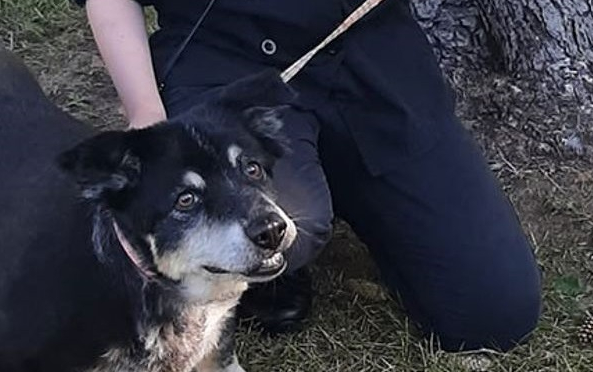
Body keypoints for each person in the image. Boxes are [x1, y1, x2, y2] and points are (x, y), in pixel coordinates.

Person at [73, 0, 542, 352]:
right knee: (275, 224)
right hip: (225, 60)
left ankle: (337, 195)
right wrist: (146, 117)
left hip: (372, 57)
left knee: (494, 313)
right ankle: (281, 266)